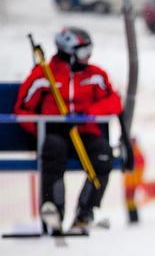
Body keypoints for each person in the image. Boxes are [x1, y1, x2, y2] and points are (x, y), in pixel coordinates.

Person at [14, 28, 122, 234]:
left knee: (103, 155)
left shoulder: (95, 75)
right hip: (56, 133)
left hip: (84, 133)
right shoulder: (44, 75)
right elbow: (23, 109)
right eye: (83, 51)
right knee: (53, 150)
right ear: (68, 51)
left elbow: (114, 101)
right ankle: (53, 212)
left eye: (90, 50)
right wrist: (42, 128)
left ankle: (85, 213)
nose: (88, 56)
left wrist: (87, 113)